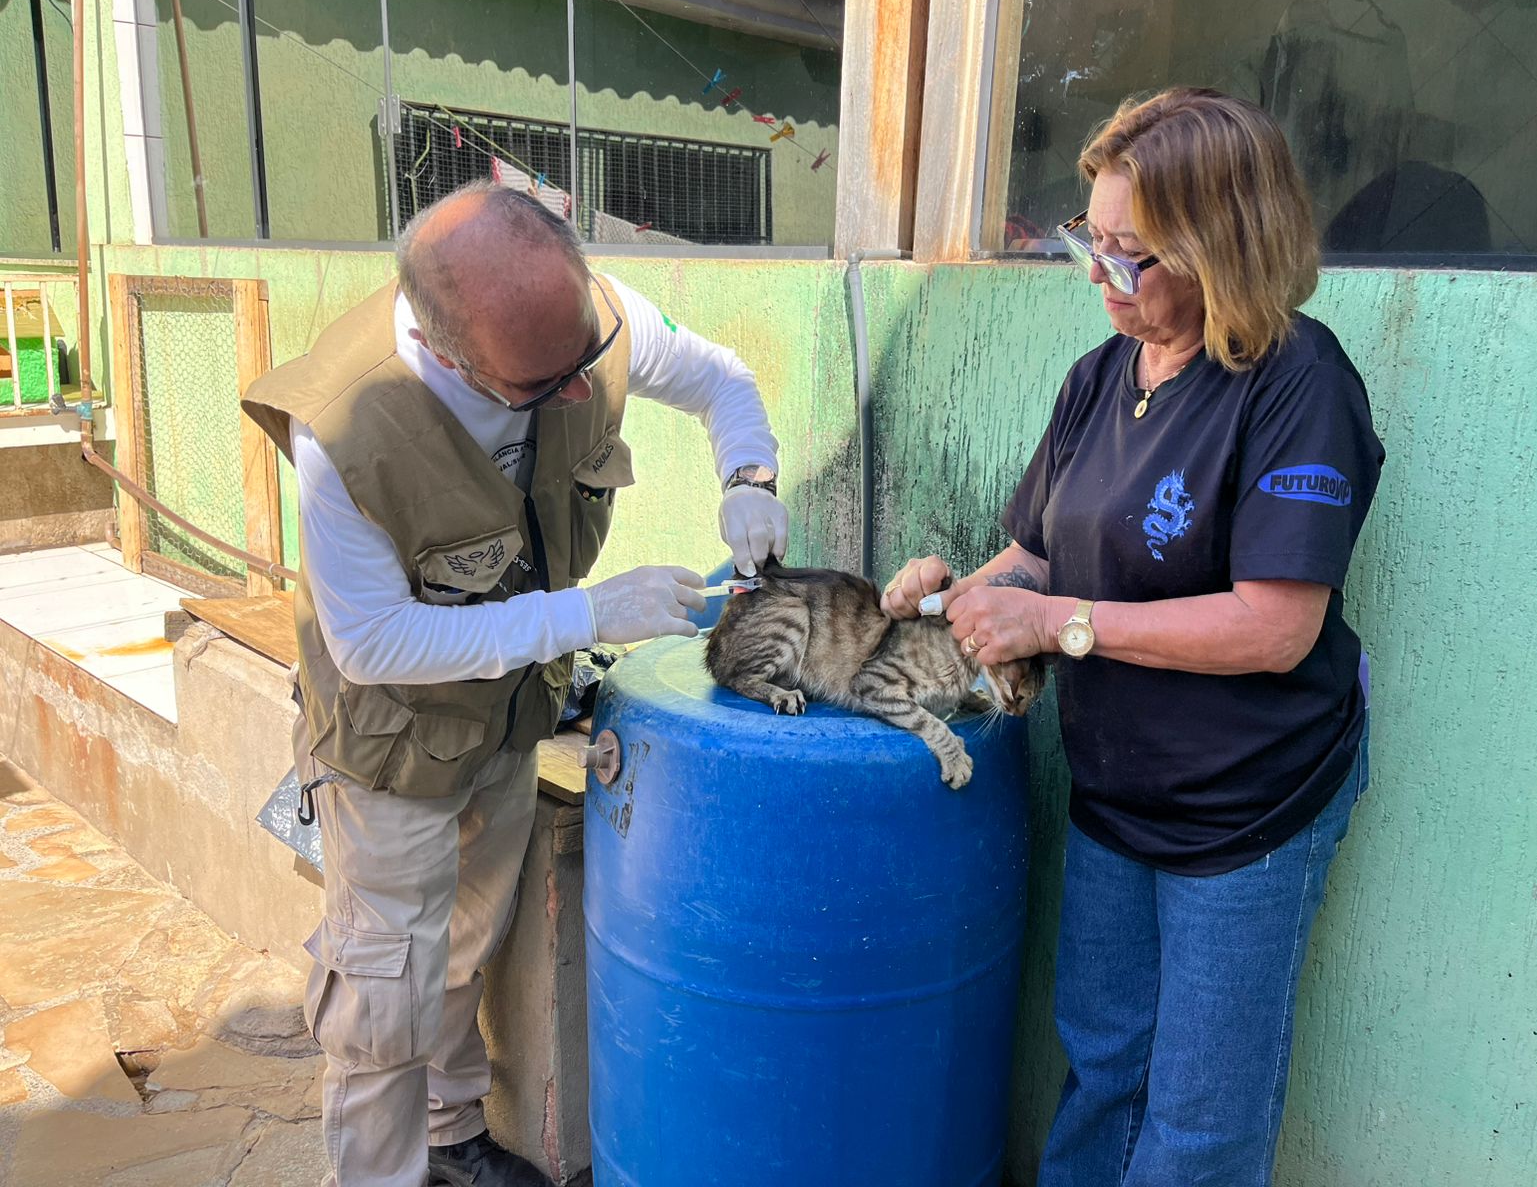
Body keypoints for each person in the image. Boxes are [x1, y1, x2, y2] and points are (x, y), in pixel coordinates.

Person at [881, 87, 1383, 1187]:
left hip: (1249, 803)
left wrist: (1056, 623)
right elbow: (1038, 556)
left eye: (1134, 256)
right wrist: (947, 594)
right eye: (1090, 244)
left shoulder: (1297, 384)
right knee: (1104, 1068)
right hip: (1118, 791)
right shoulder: (1100, 378)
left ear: (1223, 247)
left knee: (1201, 1115)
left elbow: (1273, 628)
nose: (1103, 279)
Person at [242, 180, 788, 1187]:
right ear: (451, 356)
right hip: (391, 741)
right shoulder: (347, 429)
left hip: (506, 714)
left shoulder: (585, 322)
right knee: (383, 993)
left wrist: (749, 479)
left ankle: (451, 1136)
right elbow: (371, 646)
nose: (582, 392)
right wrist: (589, 615)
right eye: (542, 385)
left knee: (465, 942)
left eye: (584, 358)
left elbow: (723, 379)